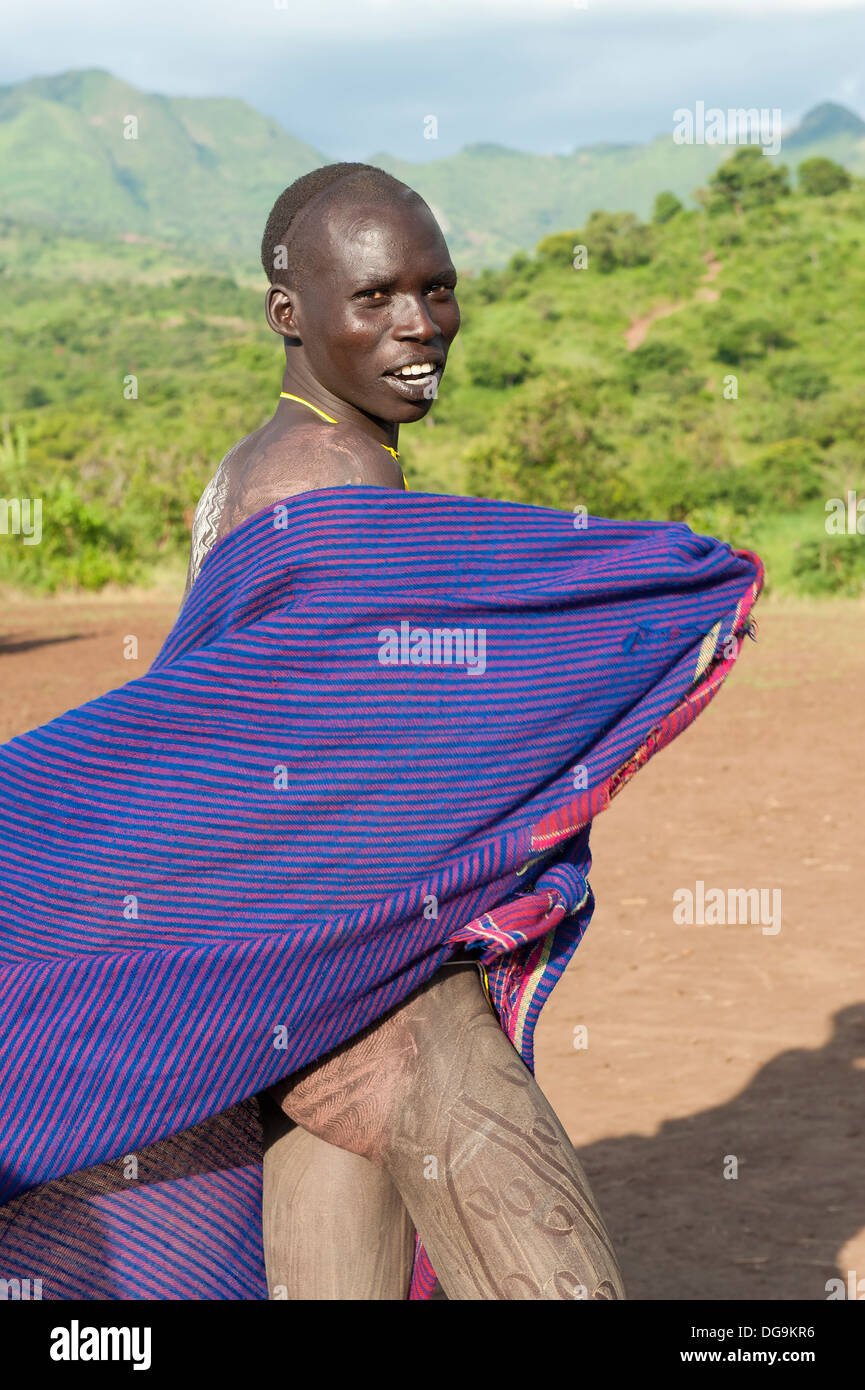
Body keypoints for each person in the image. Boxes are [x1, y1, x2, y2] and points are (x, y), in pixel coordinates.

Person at [182, 162, 625, 1301]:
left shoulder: (271, 459)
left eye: (438, 288)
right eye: (374, 297)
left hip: (296, 975)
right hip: (380, 972)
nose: (420, 324)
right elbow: (356, 760)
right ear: (290, 315)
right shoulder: (331, 480)